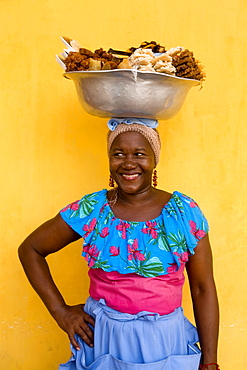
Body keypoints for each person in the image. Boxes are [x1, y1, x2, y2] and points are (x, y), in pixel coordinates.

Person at [18, 120, 219, 370]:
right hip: (105, 339)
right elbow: (31, 249)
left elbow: (202, 288)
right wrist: (60, 311)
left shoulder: (183, 212)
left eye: (139, 154)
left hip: (165, 340)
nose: (128, 163)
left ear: (154, 160)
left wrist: (209, 360)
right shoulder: (94, 209)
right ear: (109, 160)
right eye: (118, 154)